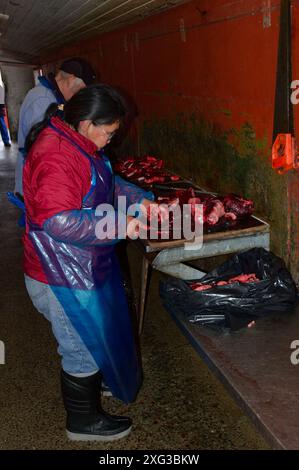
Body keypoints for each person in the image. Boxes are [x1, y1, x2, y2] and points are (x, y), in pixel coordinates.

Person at [22, 84, 165, 442]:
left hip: (76, 263)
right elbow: (58, 220)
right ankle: (82, 421)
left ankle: (90, 384)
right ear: (86, 123)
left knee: (91, 335)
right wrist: (121, 224)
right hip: (56, 272)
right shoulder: (56, 155)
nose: (111, 140)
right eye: (109, 132)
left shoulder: (77, 143)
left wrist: (139, 200)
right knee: (80, 345)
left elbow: (104, 184)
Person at [15, 57, 96, 195]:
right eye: (81, 88)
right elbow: (45, 149)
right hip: (38, 187)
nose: (80, 94)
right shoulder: (43, 100)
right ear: (71, 78)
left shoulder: (52, 97)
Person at [0, 80, 11, 147]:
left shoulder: (0, 87)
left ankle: (6, 140)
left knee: (2, 124)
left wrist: (2, 107)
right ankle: (6, 141)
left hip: (0, 106)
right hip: (0, 105)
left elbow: (1, 99)